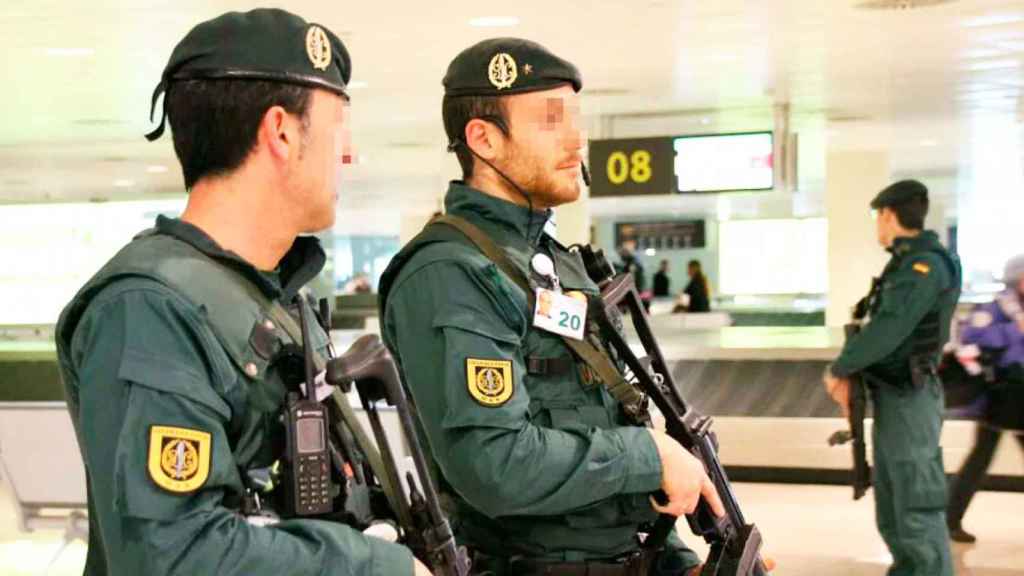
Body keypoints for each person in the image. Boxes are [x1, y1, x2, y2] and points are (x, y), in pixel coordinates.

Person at [54, 9, 428, 576]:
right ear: (280, 132)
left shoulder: (269, 299)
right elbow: (175, 555)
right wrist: (377, 568)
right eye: (336, 131)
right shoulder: (150, 308)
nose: (347, 156)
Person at [378, 38, 728, 576]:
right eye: (550, 121)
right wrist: (648, 456)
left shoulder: (559, 265)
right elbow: (495, 464)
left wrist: (675, 562)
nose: (576, 139)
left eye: (575, 120)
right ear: (484, 139)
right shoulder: (450, 272)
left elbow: (611, 414)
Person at [823, 179, 961, 576]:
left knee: (915, 505)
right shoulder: (903, 262)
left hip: (911, 397)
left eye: (876, 217)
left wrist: (840, 367)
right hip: (893, 396)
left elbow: (889, 327)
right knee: (893, 504)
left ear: (888, 215)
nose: (876, 227)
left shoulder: (924, 265)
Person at [946, 254, 1024, 543]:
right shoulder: (995, 308)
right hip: (1001, 396)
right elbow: (972, 336)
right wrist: (1013, 330)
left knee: (980, 457)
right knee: (980, 458)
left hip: (1020, 394)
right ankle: (950, 519)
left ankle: (949, 519)